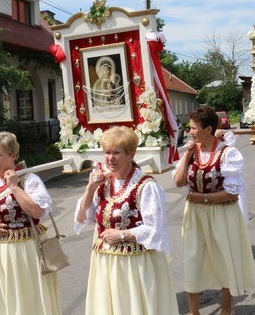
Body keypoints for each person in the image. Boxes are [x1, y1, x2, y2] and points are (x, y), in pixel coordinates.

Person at [74, 126, 178, 315]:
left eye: (117, 153)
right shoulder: (103, 183)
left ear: (131, 155)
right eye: (107, 152)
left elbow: (155, 228)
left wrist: (122, 234)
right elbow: (82, 218)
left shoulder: (146, 185)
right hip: (105, 261)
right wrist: (90, 187)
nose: (110, 158)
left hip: (135, 263)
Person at [0, 132, 61, 314]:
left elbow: (38, 211)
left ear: (13, 155)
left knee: (26, 299)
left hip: (25, 253)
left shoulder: (29, 180)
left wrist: (14, 187)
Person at [176, 107, 255, 315]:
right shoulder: (193, 152)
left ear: (208, 128)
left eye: (194, 128)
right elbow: (178, 182)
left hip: (222, 213)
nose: (190, 132)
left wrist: (202, 197)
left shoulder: (228, 153)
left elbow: (232, 194)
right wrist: (187, 157)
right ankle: (194, 312)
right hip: (195, 215)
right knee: (193, 261)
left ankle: (227, 309)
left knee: (224, 259)